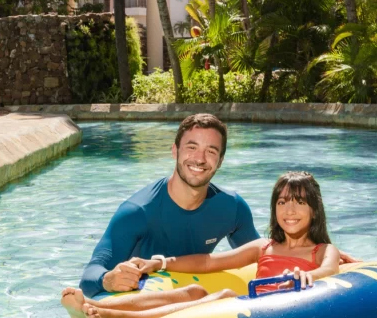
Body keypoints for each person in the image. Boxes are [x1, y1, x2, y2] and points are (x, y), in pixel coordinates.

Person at [62, 172, 340, 318]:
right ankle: (91, 309)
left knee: (225, 295)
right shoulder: (264, 246)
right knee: (195, 290)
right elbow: (210, 262)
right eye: (282, 202)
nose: (289, 210)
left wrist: (308, 275)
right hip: (252, 309)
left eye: (300, 202)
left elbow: (328, 271)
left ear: (314, 210)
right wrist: (160, 262)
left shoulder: (323, 250)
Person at [78, 113, 259, 296]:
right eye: (191, 147)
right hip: (141, 301)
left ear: (220, 161)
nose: (200, 159)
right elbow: (89, 276)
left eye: (211, 151)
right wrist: (108, 279)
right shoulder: (138, 211)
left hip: (192, 299)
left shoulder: (232, 208)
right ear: (175, 151)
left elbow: (264, 256)